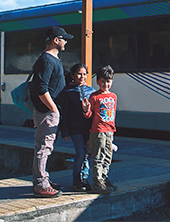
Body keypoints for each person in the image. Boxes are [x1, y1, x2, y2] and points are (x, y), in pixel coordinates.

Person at [30, 26, 73, 198]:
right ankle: (41, 184)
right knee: (43, 147)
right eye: (64, 38)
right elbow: (41, 88)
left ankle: (43, 180)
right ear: (56, 40)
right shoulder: (47, 60)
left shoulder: (51, 59)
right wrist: (54, 108)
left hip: (49, 111)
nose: (66, 42)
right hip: (47, 112)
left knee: (45, 147)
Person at [57, 63, 96, 192]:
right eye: (79, 74)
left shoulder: (91, 91)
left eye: (84, 74)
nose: (82, 76)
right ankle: (76, 181)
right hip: (75, 129)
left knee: (87, 155)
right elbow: (65, 113)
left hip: (88, 129)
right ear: (73, 75)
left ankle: (84, 178)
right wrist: (65, 131)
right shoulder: (68, 93)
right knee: (80, 153)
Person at [82, 65, 117, 194]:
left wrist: (112, 130)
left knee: (108, 156)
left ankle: (104, 178)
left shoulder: (113, 96)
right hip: (97, 131)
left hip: (109, 131)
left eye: (108, 82)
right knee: (98, 156)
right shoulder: (94, 96)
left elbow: (112, 114)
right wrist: (86, 110)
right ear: (97, 81)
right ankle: (97, 182)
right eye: (102, 81)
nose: (105, 84)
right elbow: (89, 114)